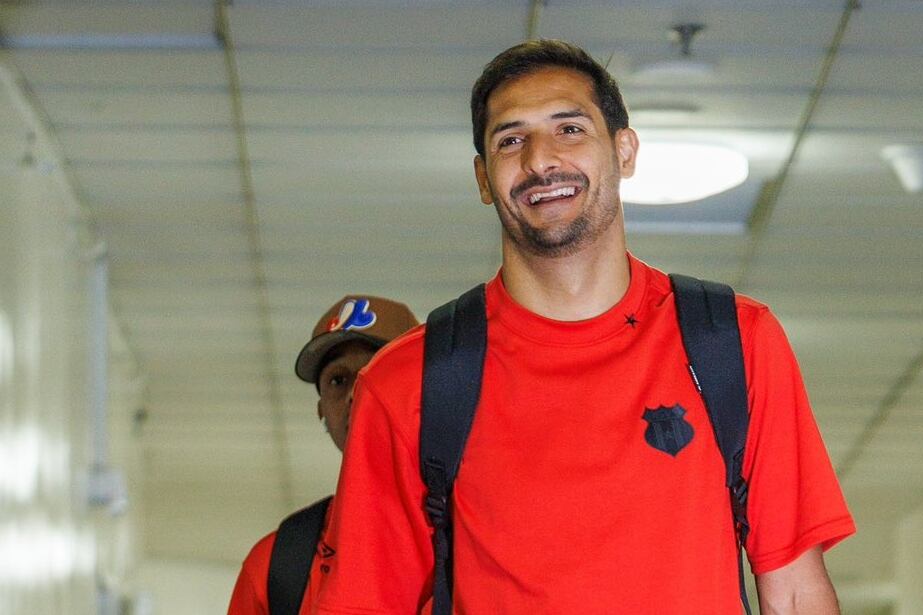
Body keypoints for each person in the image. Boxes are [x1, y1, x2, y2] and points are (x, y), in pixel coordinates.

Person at [316, 40, 855, 615]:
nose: (540, 159)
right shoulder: (411, 381)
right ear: (482, 177)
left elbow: (795, 591)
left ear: (624, 151)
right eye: (511, 140)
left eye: (570, 129)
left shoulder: (733, 342)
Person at [226, 295, 418, 615]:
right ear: (322, 412)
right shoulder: (278, 565)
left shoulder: (471, 539)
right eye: (338, 380)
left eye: (377, 369)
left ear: (421, 390)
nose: (358, 393)